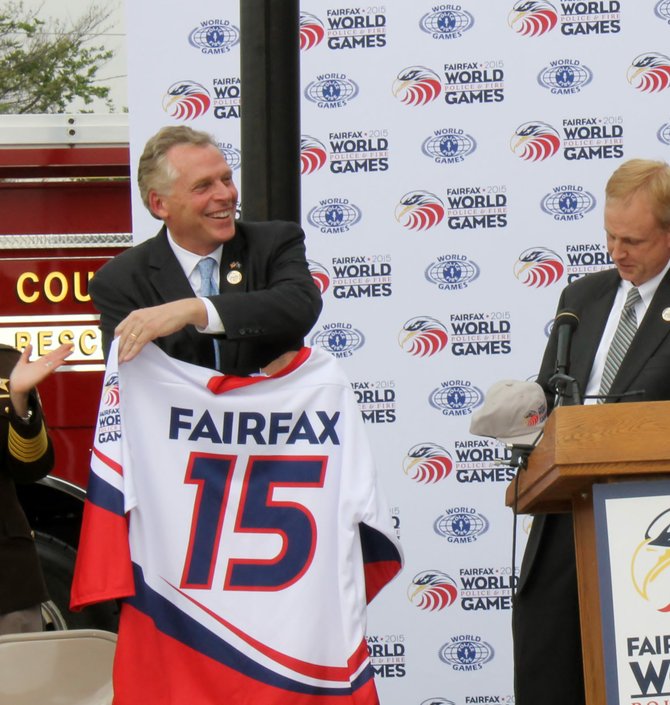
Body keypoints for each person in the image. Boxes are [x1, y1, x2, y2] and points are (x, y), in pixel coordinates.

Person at [512, 158, 670, 705]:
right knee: (551, 670)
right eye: (609, 235)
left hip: (653, 527)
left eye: (634, 240)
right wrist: (519, 418)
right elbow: (550, 399)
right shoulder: (582, 299)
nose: (617, 251)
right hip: (568, 518)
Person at [89, 125, 322, 375]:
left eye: (226, 179)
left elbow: (300, 305)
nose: (226, 195)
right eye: (203, 186)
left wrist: (195, 310)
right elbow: (129, 377)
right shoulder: (121, 280)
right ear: (159, 204)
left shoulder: (273, 242)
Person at [0, 342, 73, 634]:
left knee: (20, 679)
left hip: (6, 583)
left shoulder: (6, 364)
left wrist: (19, 401)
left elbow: (31, 467)